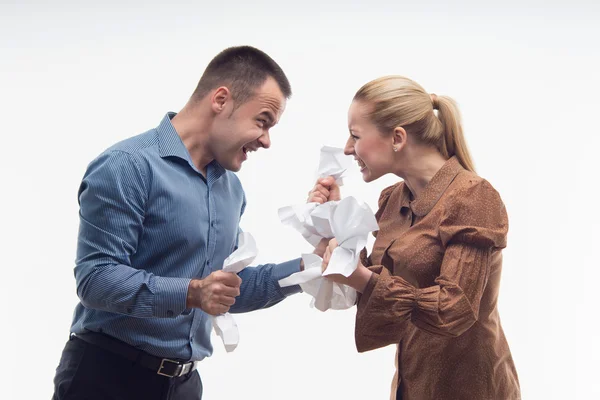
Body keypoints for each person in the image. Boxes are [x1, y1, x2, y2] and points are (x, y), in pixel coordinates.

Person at [52, 46, 310, 400]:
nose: (266, 140)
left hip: (184, 386)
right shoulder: (126, 166)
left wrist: (311, 269)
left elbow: (225, 289)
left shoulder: (230, 189)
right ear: (221, 100)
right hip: (107, 379)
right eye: (262, 121)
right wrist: (192, 292)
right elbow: (96, 279)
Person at [308, 76, 521, 399]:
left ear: (397, 138)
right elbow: (370, 289)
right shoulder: (392, 200)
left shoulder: (473, 197)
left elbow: (455, 308)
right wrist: (333, 224)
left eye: (355, 136)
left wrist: (364, 278)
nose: (348, 148)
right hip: (412, 385)